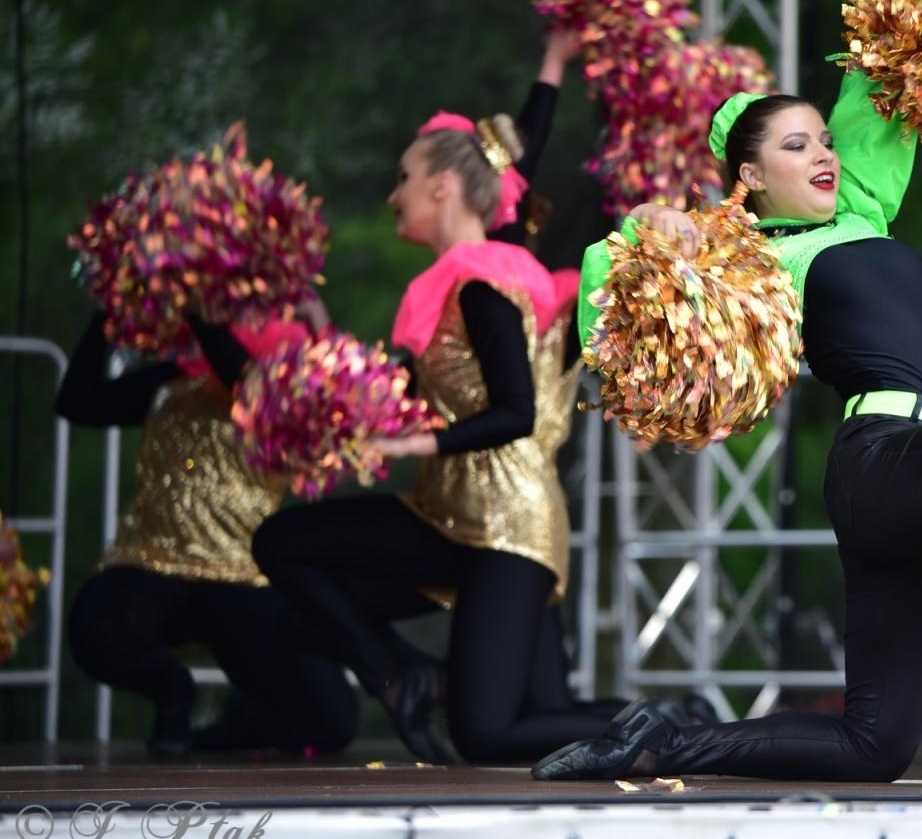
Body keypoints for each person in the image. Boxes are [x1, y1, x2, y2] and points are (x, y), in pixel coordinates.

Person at [534, 0, 922, 787]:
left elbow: (876, 77)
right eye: (796, 146)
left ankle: (662, 741)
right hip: (885, 464)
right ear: (750, 177)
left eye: (822, 139)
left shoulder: (861, 209)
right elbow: (621, 283)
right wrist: (654, 216)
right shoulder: (750, 259)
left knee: (878, 745)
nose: (822, 152)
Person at [252, 45, 617, 763]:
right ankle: (400, 674)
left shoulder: (487, 280)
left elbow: (513, 408)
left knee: (493, 733)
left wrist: (415, 446)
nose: (394, 195)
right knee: (286, 557)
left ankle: (685, 728)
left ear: (445, 187)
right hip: (447, 516)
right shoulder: (455, 278)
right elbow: (516, 162)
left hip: (508, 522)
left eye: (404, 179)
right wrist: (549, 61)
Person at [57, 310, 360, 757]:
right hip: (152, 563)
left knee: (331, 724)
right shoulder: (176, 377)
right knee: (96, 631)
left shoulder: (278, 386)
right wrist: (115, 302)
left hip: (244, 576)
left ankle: (241, 720)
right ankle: (172, 692)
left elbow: (242, 379)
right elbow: (78, 402)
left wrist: (196, 302)